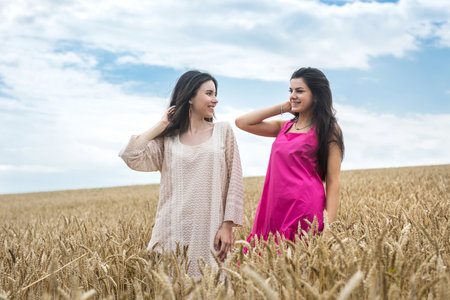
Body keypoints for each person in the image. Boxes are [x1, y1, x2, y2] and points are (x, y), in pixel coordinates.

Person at [119, 70, 244, 277]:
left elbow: (235, 180)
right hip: (172, 231)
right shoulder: (168, 140)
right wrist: (162, 125)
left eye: (215, 93)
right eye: (209, 93)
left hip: (210, 230)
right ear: (190, 97)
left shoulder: (223, 131)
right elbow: (131, 155)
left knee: (212, 287)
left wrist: (227, 225)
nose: (215, 99)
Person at [235, 67, 344, 244]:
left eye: (299, 91)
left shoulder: (328, 129)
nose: (293, 95)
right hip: (273, 206)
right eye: (291, 91)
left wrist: (329, 229)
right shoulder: (283, 127)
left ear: (316, 95)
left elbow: (333, 181)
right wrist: (285, 107)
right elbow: (242, 122)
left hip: (304, 207)